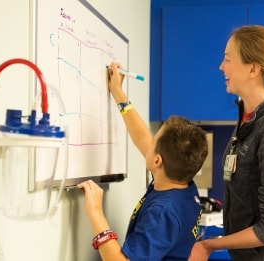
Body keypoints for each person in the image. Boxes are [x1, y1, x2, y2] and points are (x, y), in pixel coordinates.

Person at [188, 25, 264, 261]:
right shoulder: (249, 115)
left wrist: (210, 246)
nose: (221, 67)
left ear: (253, 68)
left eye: (227, 59)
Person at [78, 62, 209, 260]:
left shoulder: (162, 213)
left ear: (157, 161)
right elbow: (144, 141)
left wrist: (96, 213)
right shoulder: (183, 183)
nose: (149, 141)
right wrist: (119, 95)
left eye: (154, 139)